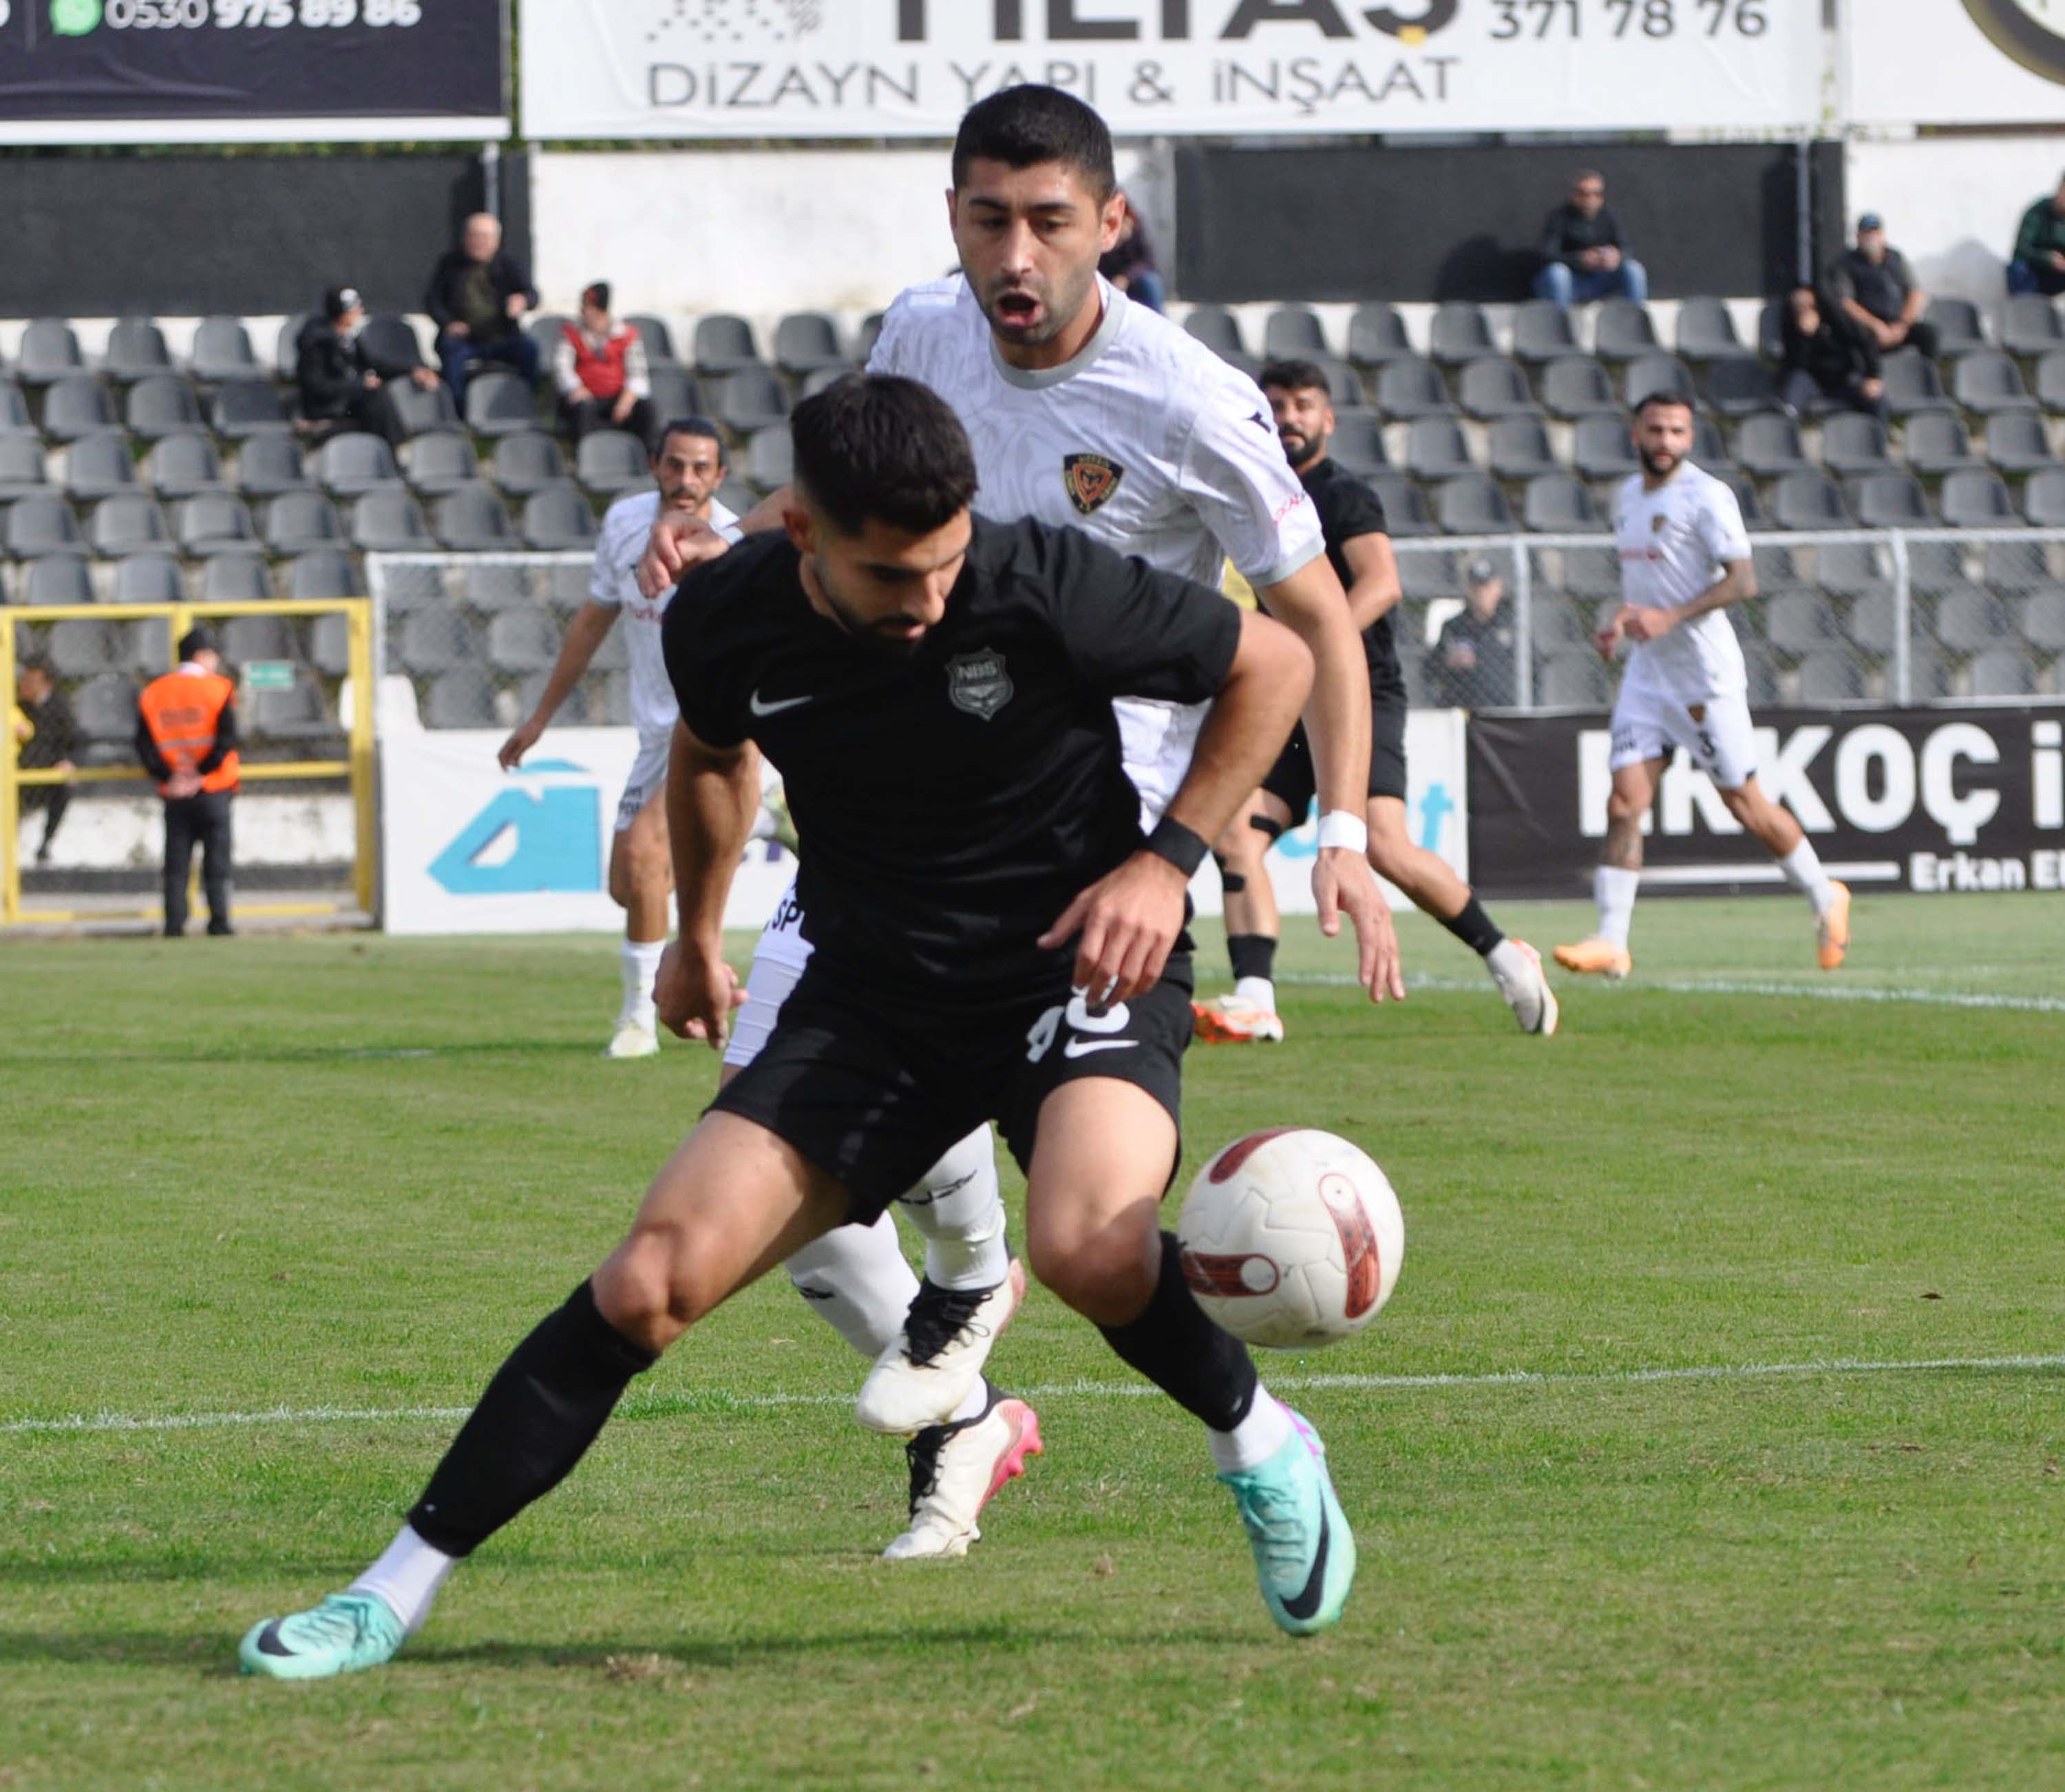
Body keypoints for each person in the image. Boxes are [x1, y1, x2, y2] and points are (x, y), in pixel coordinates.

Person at [237, 374, 1351, 1682]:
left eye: (945, 563)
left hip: (1073, 964)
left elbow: (1276, 659)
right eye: (894, 575)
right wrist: (699, 935)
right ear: (806, 533)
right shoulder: (727, 612)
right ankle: (390, 1591)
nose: (931, 600)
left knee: (1088, 1246)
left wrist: (1165, 863)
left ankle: (1263, 1440)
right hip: (874, 996)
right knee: (651, 1281)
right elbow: (713, 759)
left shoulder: (1036, 576)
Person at [637, 85, 1397, 1564]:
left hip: (1078, 852)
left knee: (1080, 1234)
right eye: (991, 217)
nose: (1018, 251)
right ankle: (971, 1398)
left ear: (1110, 224)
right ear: (953, 219)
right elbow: (857, 496)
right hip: (887, 815)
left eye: (1050, 220)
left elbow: (1314, 624)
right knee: (777, 1174)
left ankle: (1011, 1307)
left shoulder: (1188, 400)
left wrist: (1345, 832)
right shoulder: (920, 335)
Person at [1200, 361, 1556, 1045]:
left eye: (1304, 405)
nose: (1289, 417)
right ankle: (1255, 998)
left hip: (1356, 688)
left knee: (1387, 848)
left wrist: (1309, 641)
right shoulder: (1244, 495)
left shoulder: (1344, 495)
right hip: (1282, 694)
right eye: (1276, 405)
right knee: (1236, 832)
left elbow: (1384, 584)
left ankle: (1506, 954)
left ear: (1328, 420)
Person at [1554, 392, 1850, 983]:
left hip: (1704, 680)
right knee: (1623, 803)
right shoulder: (1628, 497)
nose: (1666, 441)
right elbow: (1648, 584)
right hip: (1647, 676)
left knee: (1746, 805)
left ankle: (1825, 894)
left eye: (1678, 432)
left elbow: (1743, 582)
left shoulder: (1708, 497)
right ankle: (1612, 941)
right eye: (1656, 430)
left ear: (1690, 439)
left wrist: (1670, 618)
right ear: (1635, 434)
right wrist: (1622, 619)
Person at [498, 420, 735, 1059]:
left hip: (708, 726)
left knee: (643, 864)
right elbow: (594, 617)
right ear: (655, 464)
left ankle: (638, 1021)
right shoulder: (626, 524)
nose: (686, 480)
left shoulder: (734, 542)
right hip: (654, 734)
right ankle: (760, 825)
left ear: (720, 476)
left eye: (701, 469)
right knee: (629, 888)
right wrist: (541, 716)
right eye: (675, 465)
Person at [136, 626, 238, 939]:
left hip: (175, 792)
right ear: (202, 655)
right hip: (214, 788)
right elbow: (227, 740)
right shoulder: (219, 689)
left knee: (177, 864)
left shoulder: (154, 692)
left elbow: (144, 746)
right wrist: (201, 773)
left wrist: (171, 777)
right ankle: (219, 922)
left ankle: (174, 924)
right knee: (216, 862)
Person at [294, 285, 443, 447]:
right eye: (355, 308)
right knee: (375, 397)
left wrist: (413, 370)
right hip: (328, 407)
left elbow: (375, 364)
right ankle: (397, 448)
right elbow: (317, 386)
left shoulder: (348, 339)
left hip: (348, 403)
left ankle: (393, 449)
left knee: (378, 394)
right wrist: (359, 384)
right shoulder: (317, 344)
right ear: (343, 312)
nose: (360, 311)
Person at [424, 213, 540, 404]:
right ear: (465, 237)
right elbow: (432, 300)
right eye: (474, 235)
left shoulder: (508, 264)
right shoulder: (449, 263)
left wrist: (522, 300)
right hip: (465, 338)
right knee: (450, 351)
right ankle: (457, 411)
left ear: (496, 240)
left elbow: (532, 294)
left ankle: (525, 404)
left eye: (485, 237)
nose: (479, 242)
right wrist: (449, 323)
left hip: (502, 336)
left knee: (530, 350)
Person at [553, 282, 658, 449]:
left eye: (588, 307)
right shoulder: (572, 333)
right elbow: (562, 367)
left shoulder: (626, 334)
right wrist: (576, 388)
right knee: (582, 410)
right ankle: (587, 458)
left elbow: (638, 372)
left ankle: (648, 461)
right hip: (586, 397)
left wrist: (627, 398)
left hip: (616, 397)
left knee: (646, 409)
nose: (583, 312)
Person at [1829, 214, 1938, 361]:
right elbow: (1846, 303)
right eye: (1866, 233)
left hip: (1899, 324)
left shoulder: (1896, 258)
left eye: (1875, 232)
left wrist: (1902, 324)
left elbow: (1916, 293)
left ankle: (1927, 378)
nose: (1871, 238)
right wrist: (1876, 326)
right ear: (1858, 236)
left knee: (1929, 334)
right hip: (1869, 326)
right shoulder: (1846, 264)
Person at [1534, 170, 1649, 308]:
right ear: (1574, 195)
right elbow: (1545, 254)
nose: (1590, 199)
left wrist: (1616, 257)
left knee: (1634, 269)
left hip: (1599, 280)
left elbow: (1626, 247)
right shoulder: (1559, 217)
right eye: (1583, 194)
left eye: (1596, 194)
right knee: (1557, 273)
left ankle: (1635, 320)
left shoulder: (1608, 216)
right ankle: (1559, 325)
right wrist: (1580, 260)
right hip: (1570, 282)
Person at [1778, 286, 1884, 418]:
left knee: (1876, 399)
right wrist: (1805, 337)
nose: (1804, 309)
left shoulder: (1835, 318)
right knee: (1793, 396)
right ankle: (1786, 433)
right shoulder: (1790, 326)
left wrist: (1873, 376)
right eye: (1799, 306)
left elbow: (1865, 340)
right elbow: (1797, 364)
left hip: (1843, 378)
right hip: (1811, 381)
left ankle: (1876, 436)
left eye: (1808, 305)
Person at [1428, 558, 1517, 710]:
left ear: (1498, 588)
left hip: (1505, 711)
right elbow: (1432, 668)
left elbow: (1534, 667)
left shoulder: (1513, 626)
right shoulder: (1454, 627)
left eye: (1487, 587)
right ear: (1468, 590)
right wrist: (1448, 662)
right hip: (1465, 711)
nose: (1482, 594)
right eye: (1477, 588)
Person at [13, 657, 76, 865]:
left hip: (47, 772)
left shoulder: (60, 709)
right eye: (24, 679)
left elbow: (73, 741)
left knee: (65, 788)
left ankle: (46, 844)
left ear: (46, 684)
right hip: (18, 771)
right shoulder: (16, 707)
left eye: (31, 681)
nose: (24, 685)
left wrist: (67, 761)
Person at [1099, 198, 1165, 313]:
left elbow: (1147, 261)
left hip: (1132, 281)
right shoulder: (1100, 233)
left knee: (1151, 283)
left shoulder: (1136, 228)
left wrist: (1126, 278)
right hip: (1106, 281)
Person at [2007, 173, 2065, 298]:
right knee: (2019, 270)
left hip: (2059, 278)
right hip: (2033, 272)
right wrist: (2048, 259)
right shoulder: (2038, 213)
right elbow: (2022, 249)